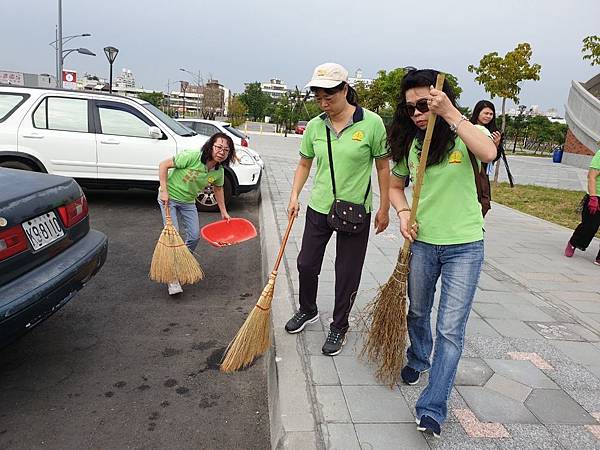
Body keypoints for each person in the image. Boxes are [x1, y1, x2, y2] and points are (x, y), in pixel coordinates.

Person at [388, 69, 496, 437]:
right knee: (417, 309)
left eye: (424, 104)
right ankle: (418, 356)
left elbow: (489, 151)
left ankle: (432, 407)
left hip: (465, 245)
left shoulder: (466, 133)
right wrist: (402, 214)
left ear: (440, 99)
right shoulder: (411, 144)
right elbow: (395, 186)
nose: (417, 113)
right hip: (423, 243)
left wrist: (450, 113)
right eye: (410, 108)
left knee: (450, 329)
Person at [285, 62, 391, 356]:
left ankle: (339, 325)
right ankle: (308, 309)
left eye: (328, 96)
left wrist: (384, 208)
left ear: (345, 89)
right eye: (318, 97)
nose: (323, 103)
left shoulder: (372, 123)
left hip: (356, 210)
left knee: (347, 272)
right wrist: (294, 195)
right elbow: (305, 163)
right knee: (306, 263)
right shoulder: (316, 126)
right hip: (319, 207)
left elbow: (383, 167)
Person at [158, 132, 234, 295]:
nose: (222, 151)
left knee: (194, 236)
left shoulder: (218, 171)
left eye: (226, 150)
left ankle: (179, 263)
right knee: (173, 235)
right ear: (211, 146)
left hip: (188, 202)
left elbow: (218, 189)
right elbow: (163, 165)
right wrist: (164, 191)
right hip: (169, 198)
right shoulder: (192, 157)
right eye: (219, 147)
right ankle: (172, 278)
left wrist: (223, 212)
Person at [564, 146, 600, 265]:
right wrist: (593, 197)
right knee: (590, 226)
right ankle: (574, 242)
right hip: (597, 196)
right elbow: (591, 176)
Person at [470, 100, 514, 185]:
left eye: (491, 114)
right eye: (486, 113)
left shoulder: (494, 132)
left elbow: (495, 157)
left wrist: (496, 145)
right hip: (468, 166)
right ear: (477, 113)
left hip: (482, 171)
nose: (488, 116)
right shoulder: (468, 127)